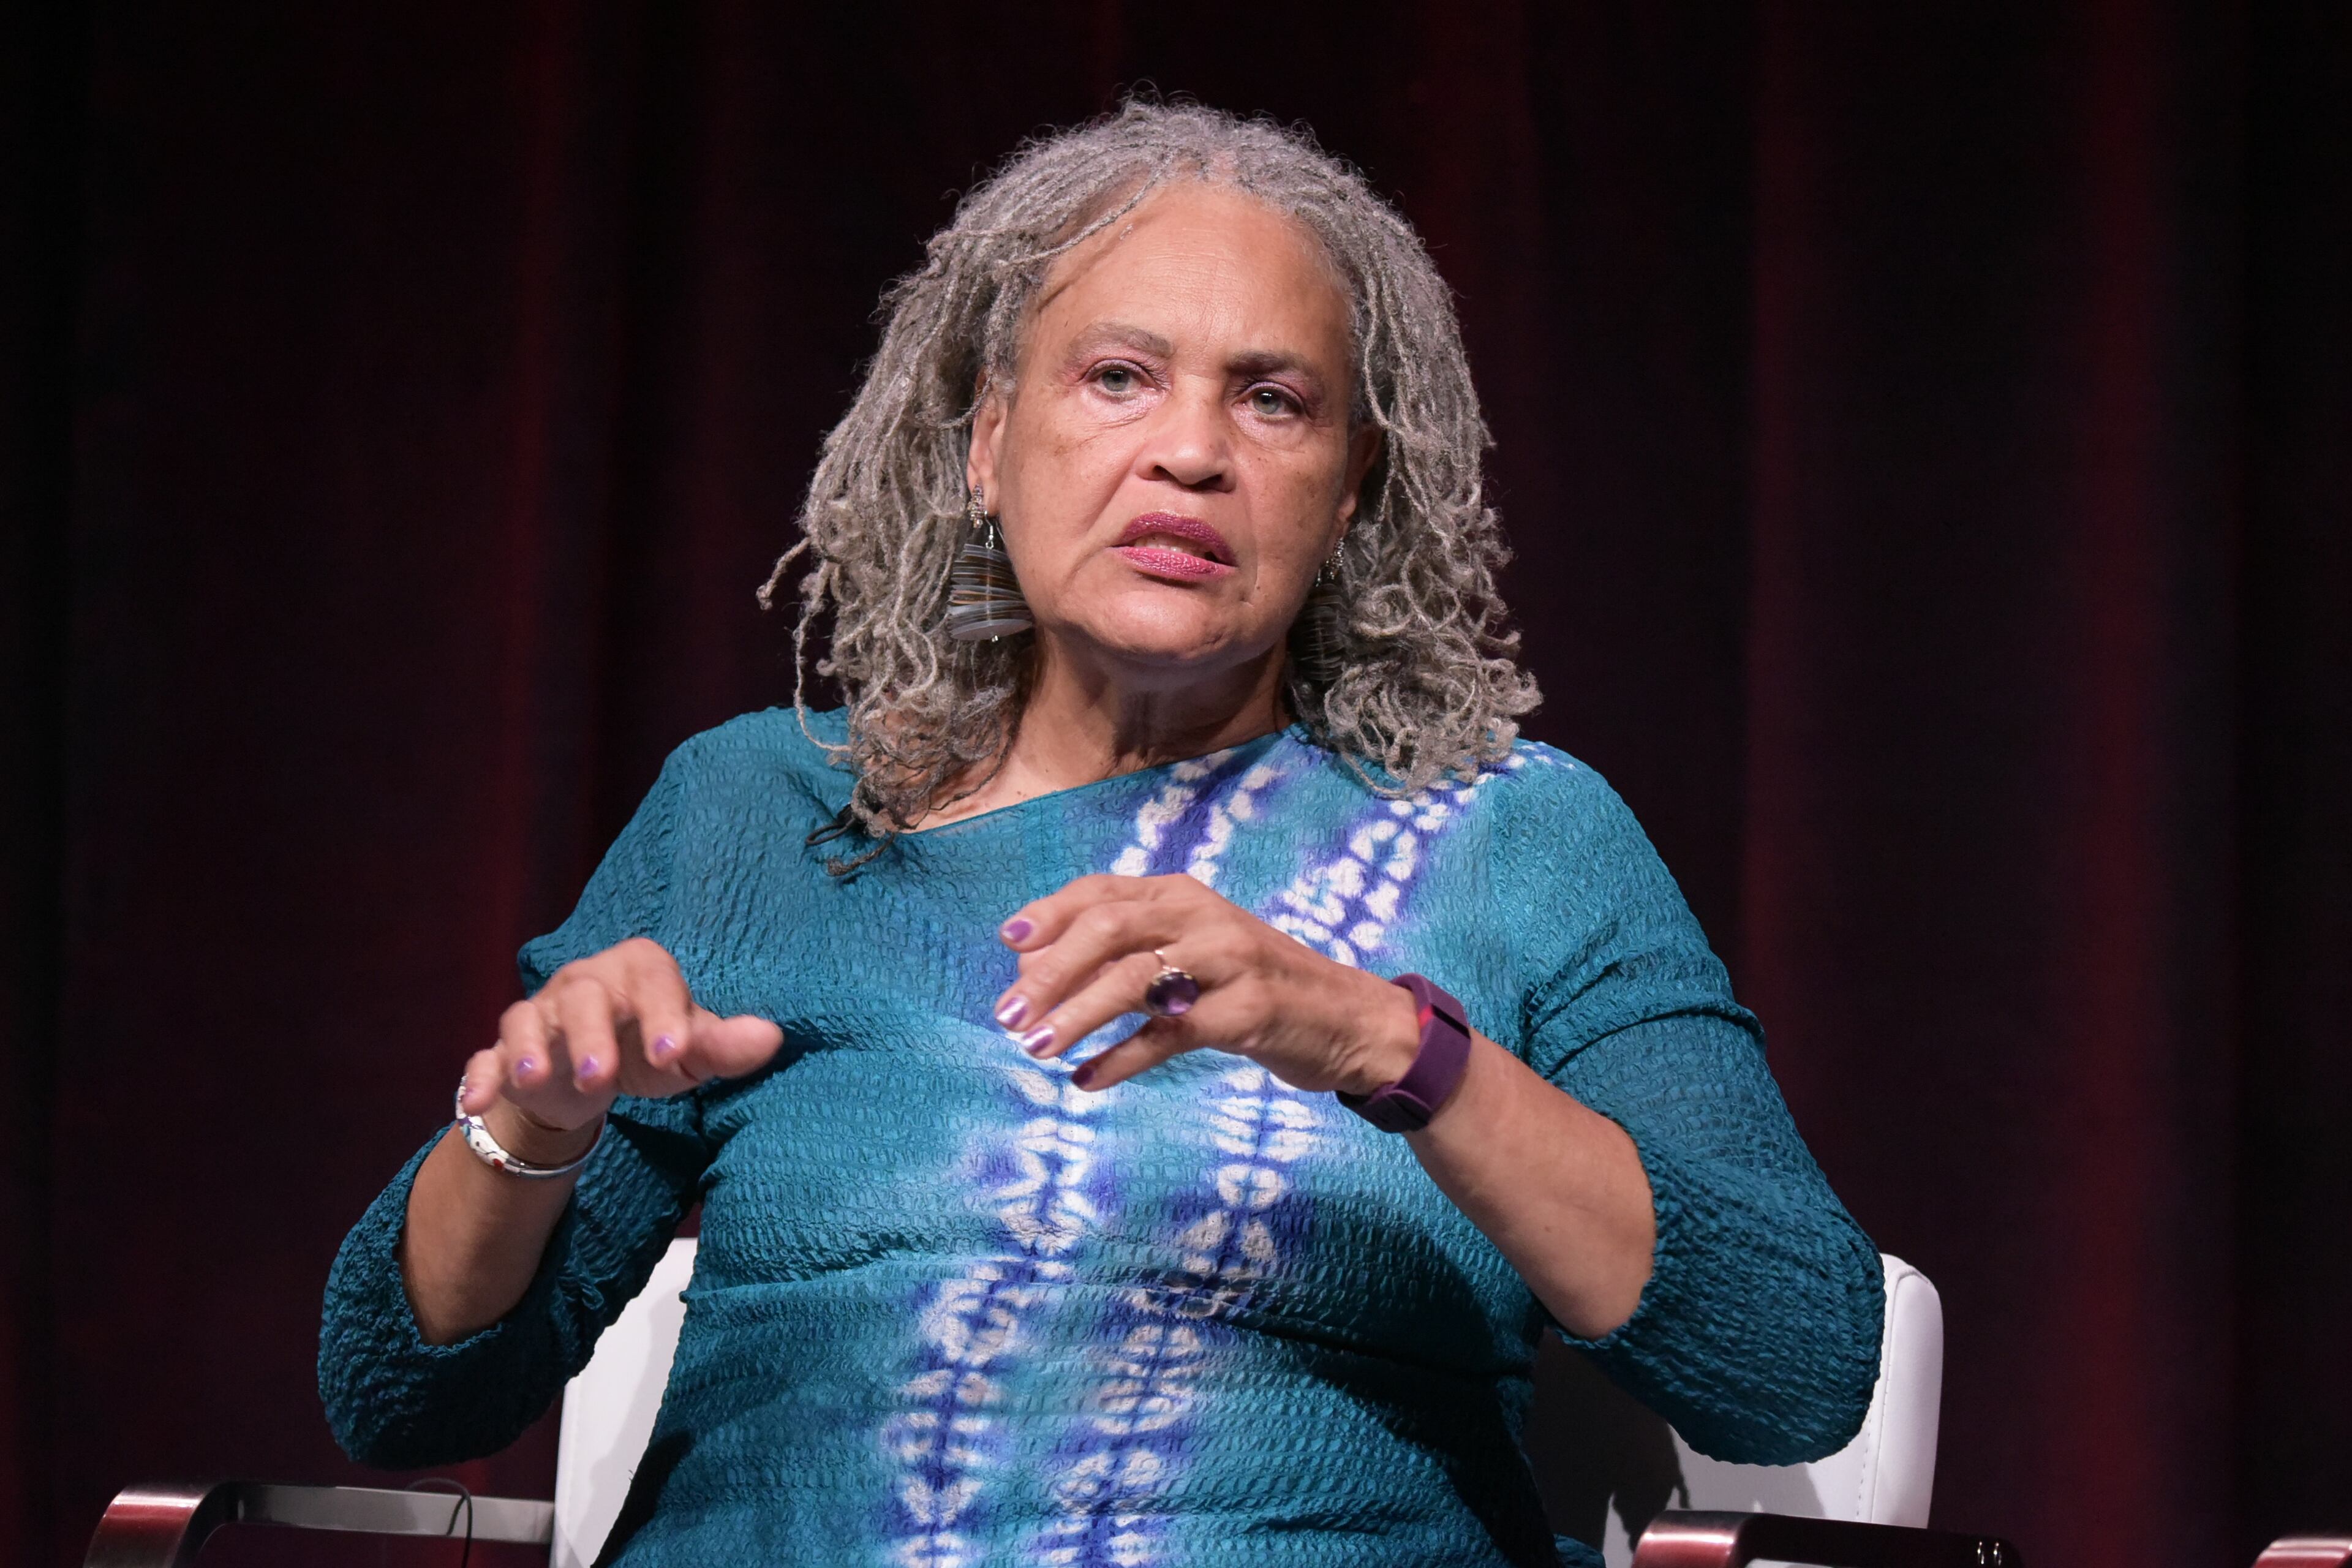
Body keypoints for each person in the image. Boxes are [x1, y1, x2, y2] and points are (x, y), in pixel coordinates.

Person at [320, 102, 1884, 1568]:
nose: (1191, 450)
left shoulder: (1518, 839)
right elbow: (407, 1392)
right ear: (989, 446)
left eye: (1273, 399)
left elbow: (1792, 1360)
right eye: (1118, 376)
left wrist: (1371, 1034)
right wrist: (537, 1120)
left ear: (1352, 493)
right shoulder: (762, 811)